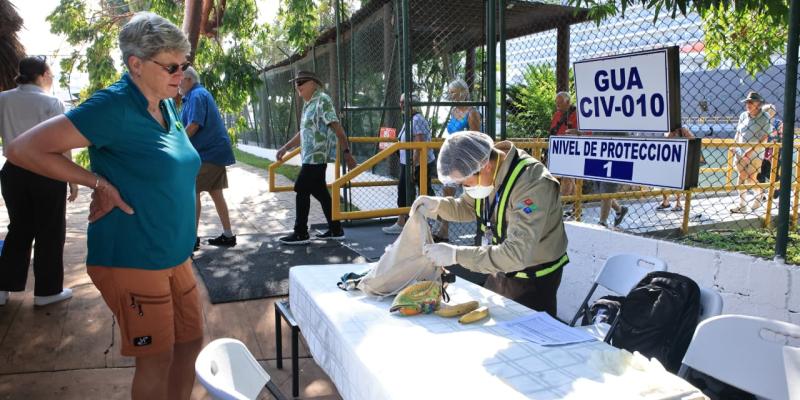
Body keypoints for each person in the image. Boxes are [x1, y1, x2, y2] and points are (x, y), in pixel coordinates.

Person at [5, 13, 203, 399]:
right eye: (172, 66)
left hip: (174, 254)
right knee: (156, 359)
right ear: (136, 64)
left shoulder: (167, 105)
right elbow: (21, 149)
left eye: (185, 65)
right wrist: (97, 182)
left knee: (191, 343)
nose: (181, 73)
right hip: (133, 254)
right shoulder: (112, 106)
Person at [413, 131, 568, 317]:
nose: (465, 188)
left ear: (485, 166)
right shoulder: (489, 173)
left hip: (533, 279)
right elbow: (468, 206)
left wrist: (455, 255)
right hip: (500, 269)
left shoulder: (532, 183)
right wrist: (437, 206)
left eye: (466, 183)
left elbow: (516, 254)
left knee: (530, 338)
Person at [0, 56, 78, 307]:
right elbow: (63, 143)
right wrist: (72, 178)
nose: (52, 78)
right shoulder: (52, 102)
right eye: (51, 74)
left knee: (19, 228)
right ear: (43, 74)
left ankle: (2, 288)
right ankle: (47, 291)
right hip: (47, 172)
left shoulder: (3, 99)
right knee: (50, 230)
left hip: (13, 171)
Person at [275, 70, 357, 245]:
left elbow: (338, 129)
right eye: (296, 82)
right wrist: (285, 147)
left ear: (313, 83)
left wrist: (347, 154)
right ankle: (336, 229)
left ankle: (301, 232)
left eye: (302, 82)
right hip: (309, 157)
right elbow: (303, 133)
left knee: (300, 188)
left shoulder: (322, 100)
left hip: (317, 157)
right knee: (320, 192)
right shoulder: (308, 104)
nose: (298, 86)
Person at [178, 66, 236, 249]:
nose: (177, 82)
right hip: (215, 153)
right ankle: (228, 235)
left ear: (188, 79)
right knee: (216, 193)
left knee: (191, 193)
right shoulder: (195, 95)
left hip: (209, 154)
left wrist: (177, 145)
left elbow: (194, 124)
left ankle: (191, 240)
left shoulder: (196, 95)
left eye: (179, 78)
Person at [435, 79, 482, 242]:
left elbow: (476, 138)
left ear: (463, 93)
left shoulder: (472, 112)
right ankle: (443, 229)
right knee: (447, 192)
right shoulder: (454, 110)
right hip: (452, 157)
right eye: (450, 93)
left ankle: (482, 231)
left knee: (474, 197)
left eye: (454, 93)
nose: (452, 96)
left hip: (467, 159)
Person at [382, 93, 436, 234]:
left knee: (420, 191)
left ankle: (411, 222)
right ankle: (408, 222)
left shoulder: (417, 119)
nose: (401, 105)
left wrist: (413, 165)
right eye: (400, 102)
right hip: (409, 162)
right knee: (407, 191)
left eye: (403, 102)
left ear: (412, 105)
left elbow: (419, 144)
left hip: (417, 163)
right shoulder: (410, 119)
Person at [730, 91, 770, 213]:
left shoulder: (764, 117)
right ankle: (742, 205)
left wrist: (750, 151)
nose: (748, 104)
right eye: (747, 102)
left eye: (751, 102)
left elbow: (764, 137)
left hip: (756, 153)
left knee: (752, 179)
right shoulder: (743, 115)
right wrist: (734, 145)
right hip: (740, 151)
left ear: (758, 104)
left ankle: (758, 197)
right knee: (741, 177)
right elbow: (738, 133)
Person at [548, 92, 580, 213]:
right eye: (556, 102)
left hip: (572, 151)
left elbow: (586, 132)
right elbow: (553, 131)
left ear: (568, 102)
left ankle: (558, 209)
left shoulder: (577, 115)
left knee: (567, 180)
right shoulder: (557, 115)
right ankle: (576, 208)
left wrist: (576, 132)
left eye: (560, 102)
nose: (557, 105)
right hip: (559, 151)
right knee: (570, 180)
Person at [657, 127, 696, 212]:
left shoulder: (683, 129)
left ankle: (678, 203)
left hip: (679, 160)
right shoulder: (665, 130)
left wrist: (683, 133)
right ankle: (665, 201)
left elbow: (693, 140)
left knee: (678, 182)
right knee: (663, 182)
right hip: (667, 159)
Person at [757, 104, 784, 196]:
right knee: (760, 173)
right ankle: (761, 193)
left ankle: (776, 188)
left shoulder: (778, 123)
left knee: (772, 172)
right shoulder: (761, 123)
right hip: (762, 150)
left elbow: (781, 138)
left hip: (774, 150)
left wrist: (775, 152)